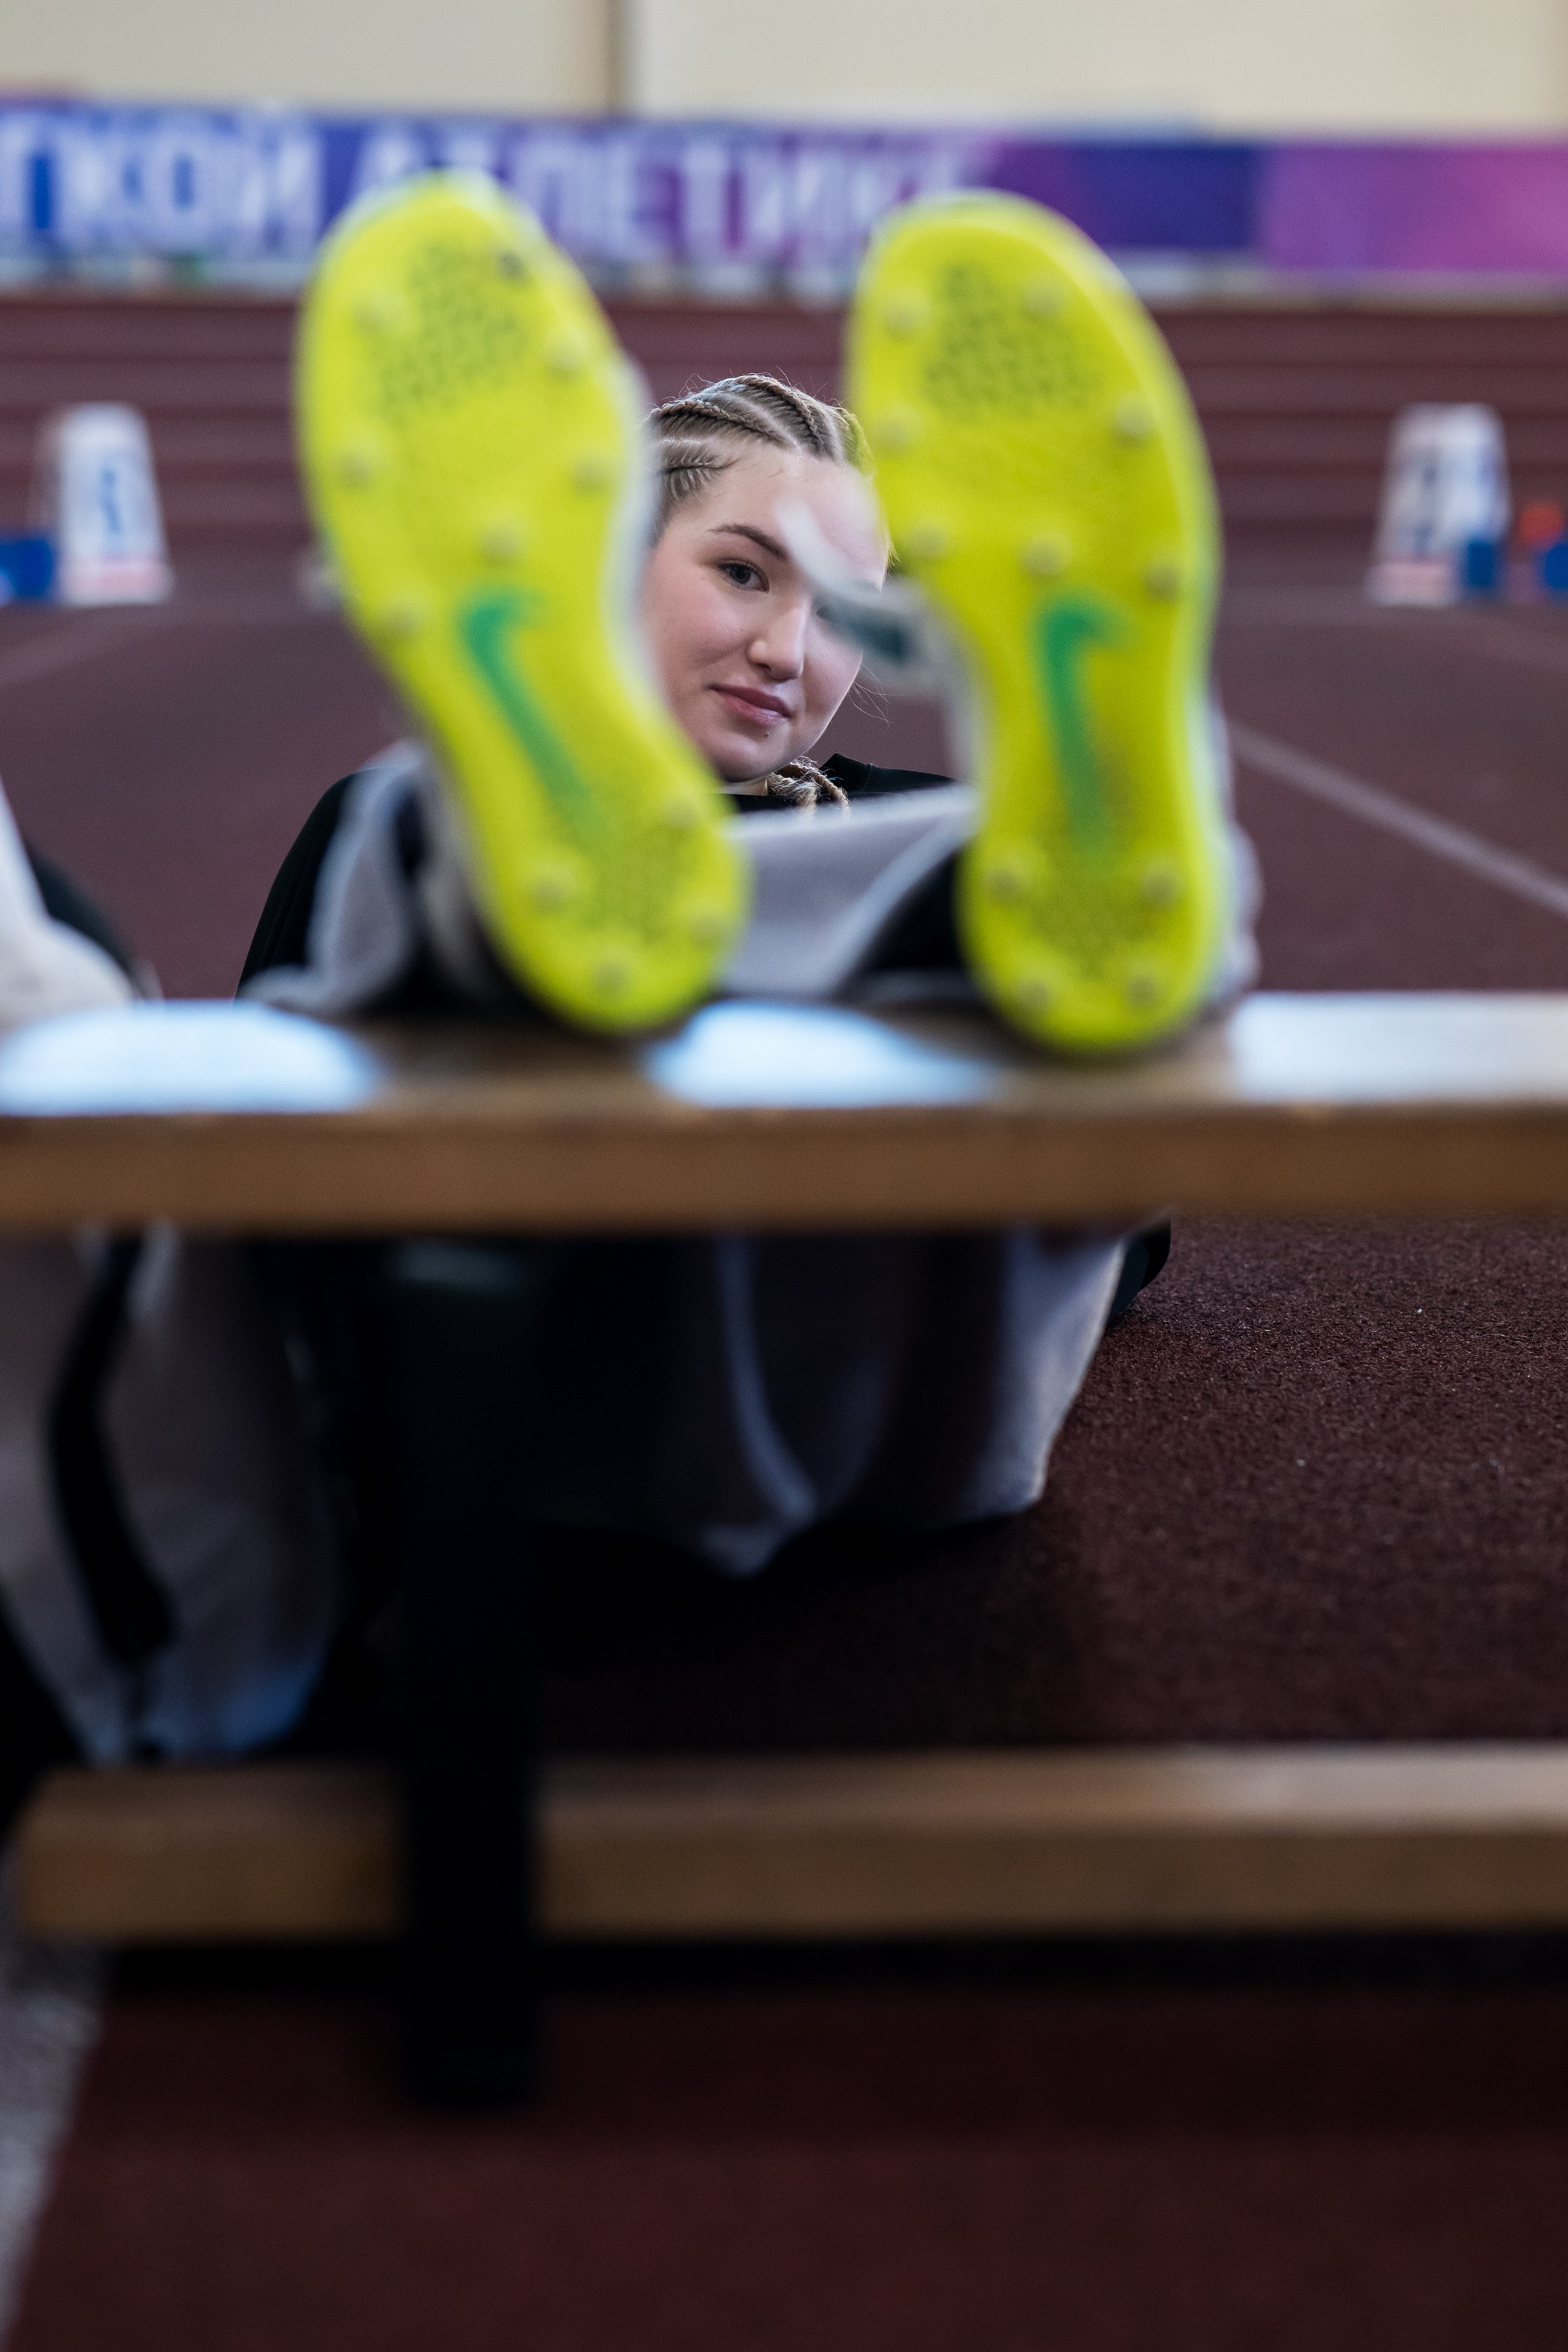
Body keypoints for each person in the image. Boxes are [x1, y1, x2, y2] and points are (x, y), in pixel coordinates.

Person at [0, 176, 1254, 1828]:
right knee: (473, 856)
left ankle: (757, 886)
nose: (791, 651)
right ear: (610, 555)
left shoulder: (891, 820)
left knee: (930, 890)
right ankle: (631, 905)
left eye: (849, 618)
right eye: (743, 571)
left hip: (646, 1396)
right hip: (832, 1432)